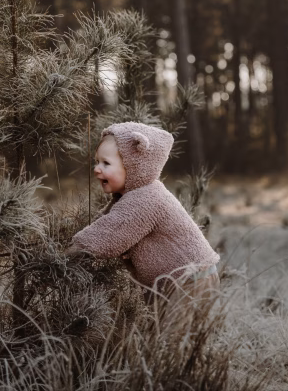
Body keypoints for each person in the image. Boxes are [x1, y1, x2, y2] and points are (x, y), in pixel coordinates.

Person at [65, 122, 220, 319]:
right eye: (96, 162)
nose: (97, 169)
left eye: (106, 163)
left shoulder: (146, 199)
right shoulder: (133, 196)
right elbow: (105, 221)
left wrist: (67, 255)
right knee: (159, 336)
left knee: (172, 343)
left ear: (134, 166)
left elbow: (107, 236)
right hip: (179, 283)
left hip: (191, 282)